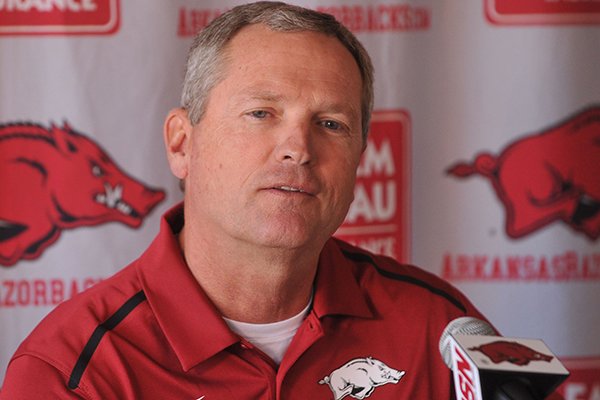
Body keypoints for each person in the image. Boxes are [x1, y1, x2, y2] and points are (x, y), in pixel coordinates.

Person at [1, 2, 505, 399]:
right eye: (262, 113)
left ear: (359, 160)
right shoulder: (72, 372)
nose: (299, 149)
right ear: (182, 143)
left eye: (331, 124)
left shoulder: (440, 327)